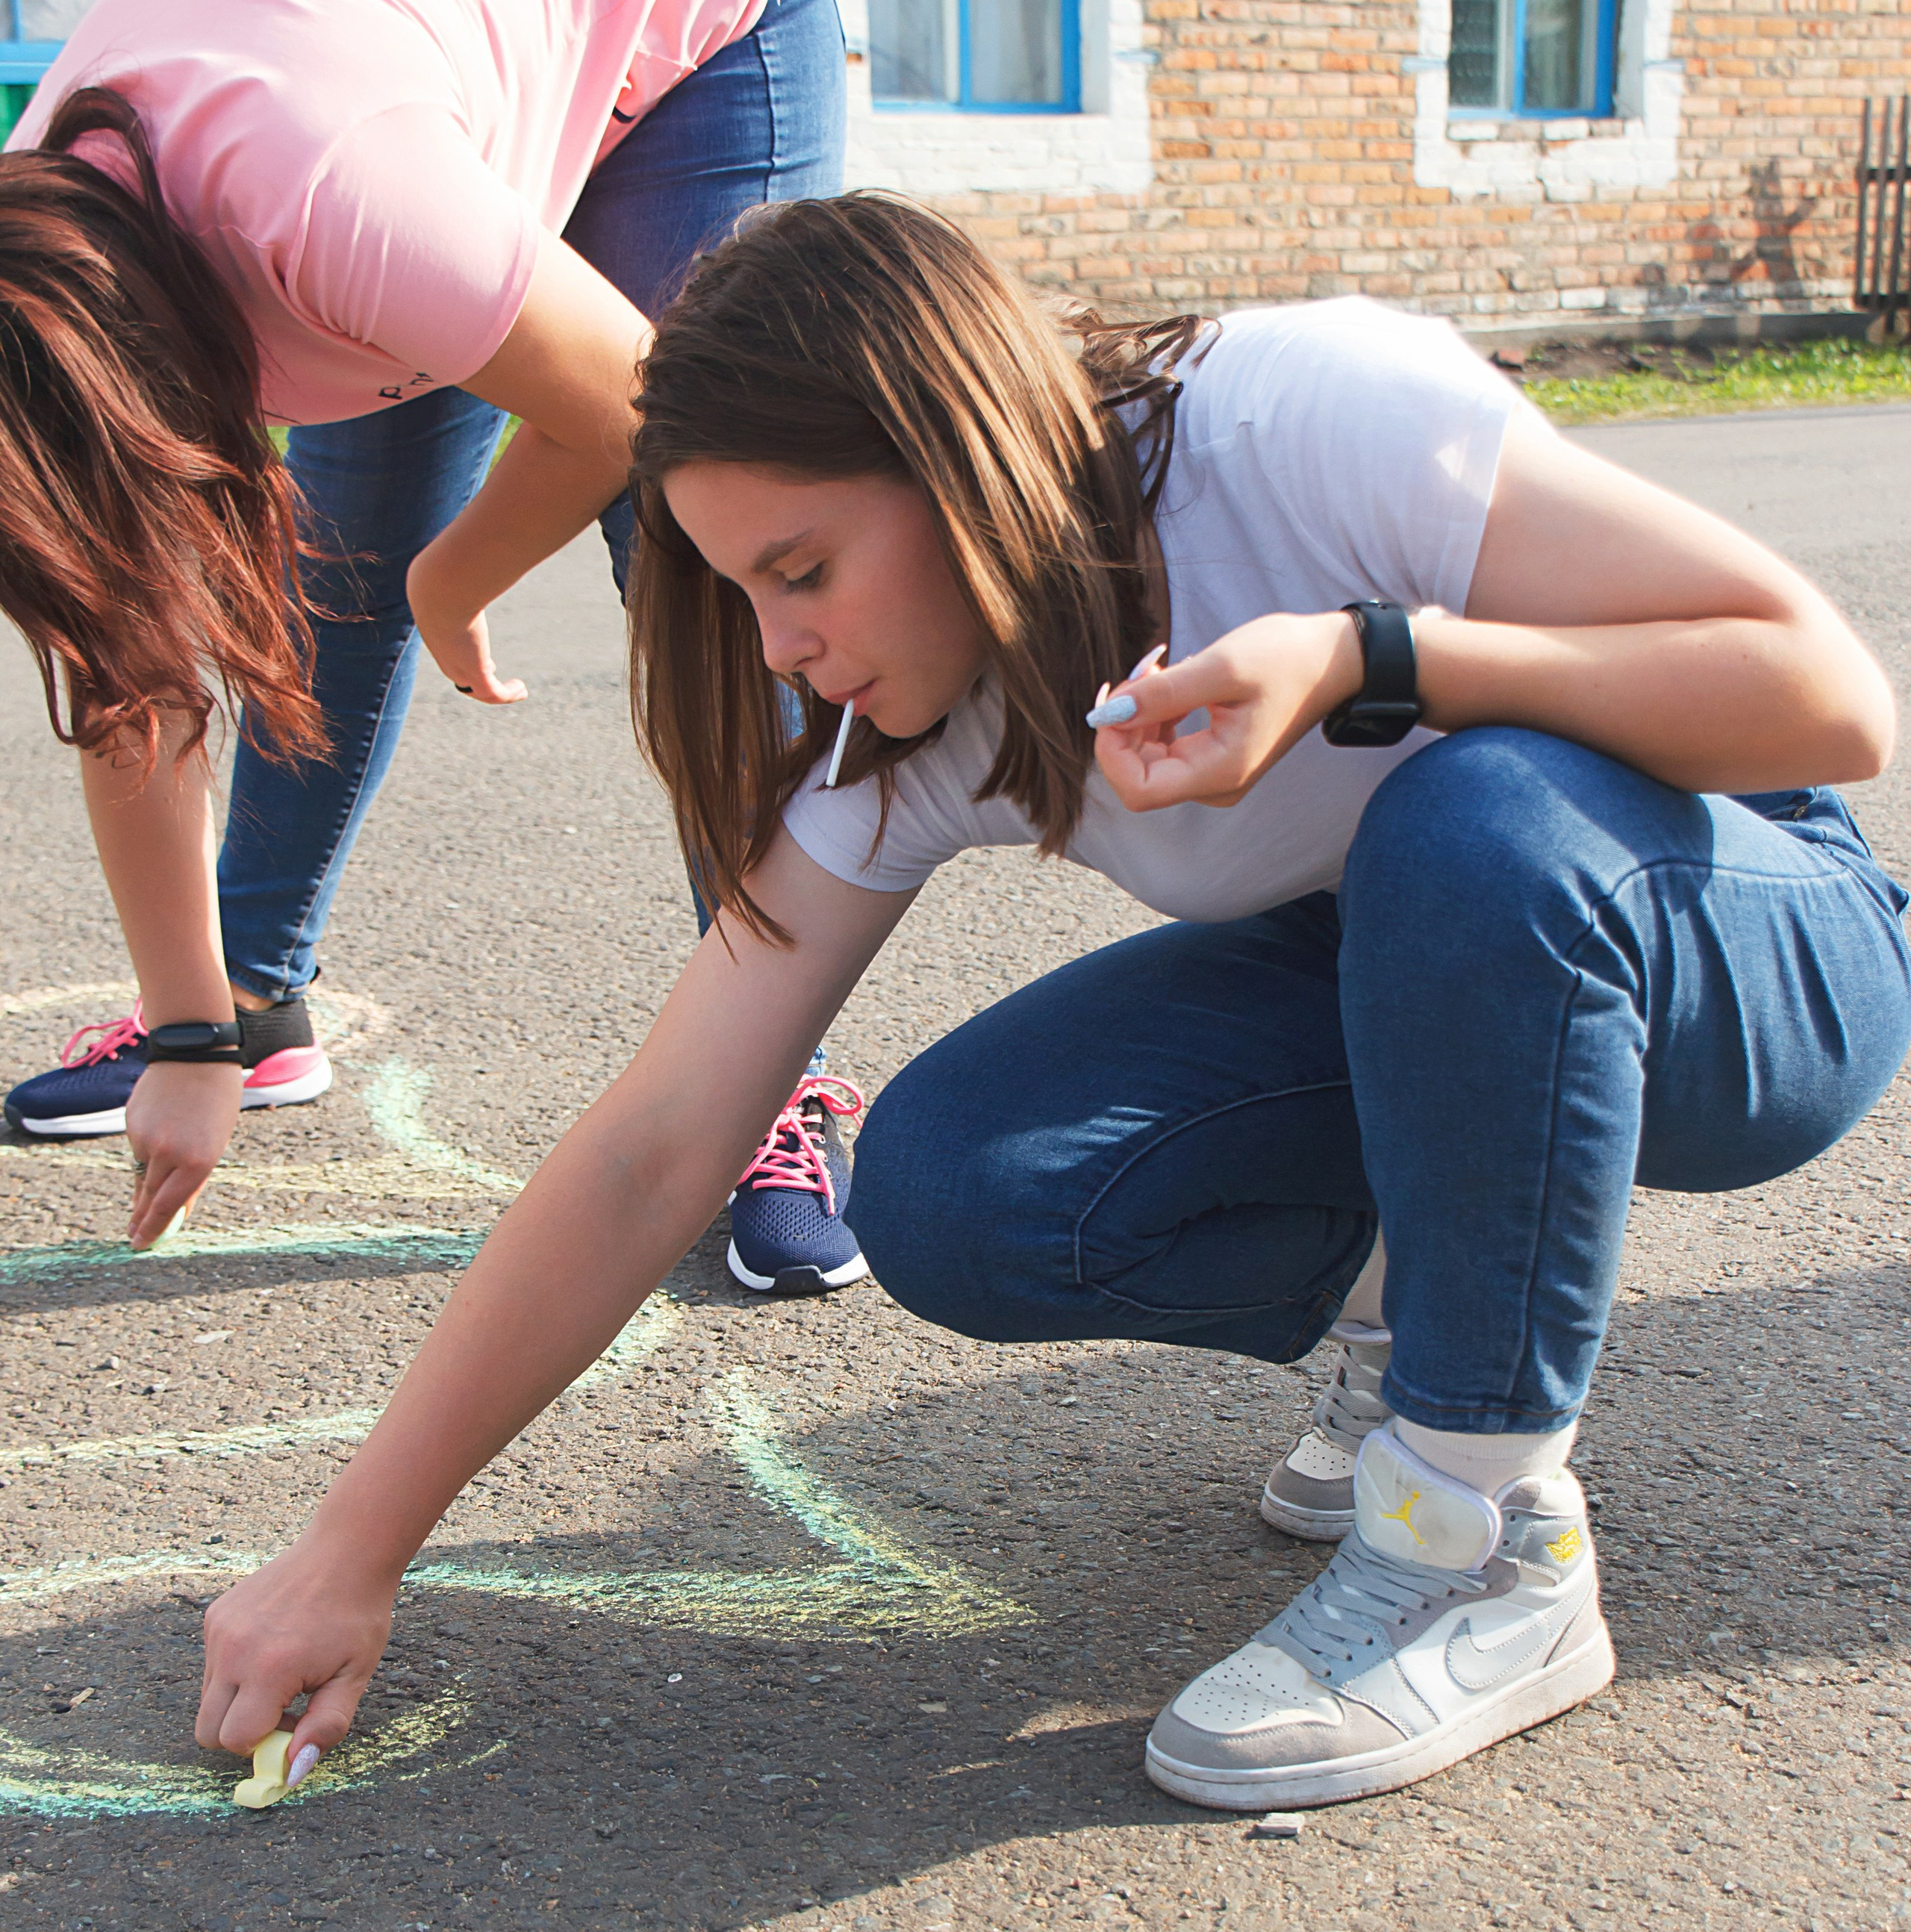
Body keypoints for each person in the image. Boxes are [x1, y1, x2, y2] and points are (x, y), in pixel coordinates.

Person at [195, 197, 1910, 1813]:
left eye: (799, 568)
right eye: (738, 589)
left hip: (1743, 936)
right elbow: (658, 1148)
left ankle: (1478, 1543)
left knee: (1466, 818)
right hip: (1419, 984)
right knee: (958, 1181)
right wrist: (351, 1551)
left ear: (955, 457)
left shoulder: (1298, 421)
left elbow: (1826, 702)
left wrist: (1370, 659)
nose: (777, 643)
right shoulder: (899, 735)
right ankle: (1436, 1337)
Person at [0, 0, 864, 1299]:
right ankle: (260, 1010)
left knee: (701, 546)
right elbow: (128, 672)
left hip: (676, 10)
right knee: (322, 585)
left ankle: (761, 1085)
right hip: (414, 50)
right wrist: (188, 1027)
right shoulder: (40, 293)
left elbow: (630, 407)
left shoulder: (336, 208)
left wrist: (455, 577)